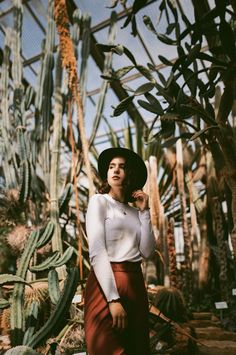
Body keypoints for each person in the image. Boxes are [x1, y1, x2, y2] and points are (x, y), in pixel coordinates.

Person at [84, 147, 156, 355]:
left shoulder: (137, 212)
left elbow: (148, 251)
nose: (115, 170)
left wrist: (145, 212)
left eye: (122, 167)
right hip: (105, 283)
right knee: (105, 348)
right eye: (111, 166)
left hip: (134, 284)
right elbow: (97, 251)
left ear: (129, 174)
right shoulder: (99, 202)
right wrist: (113, 300)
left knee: (136, 348)